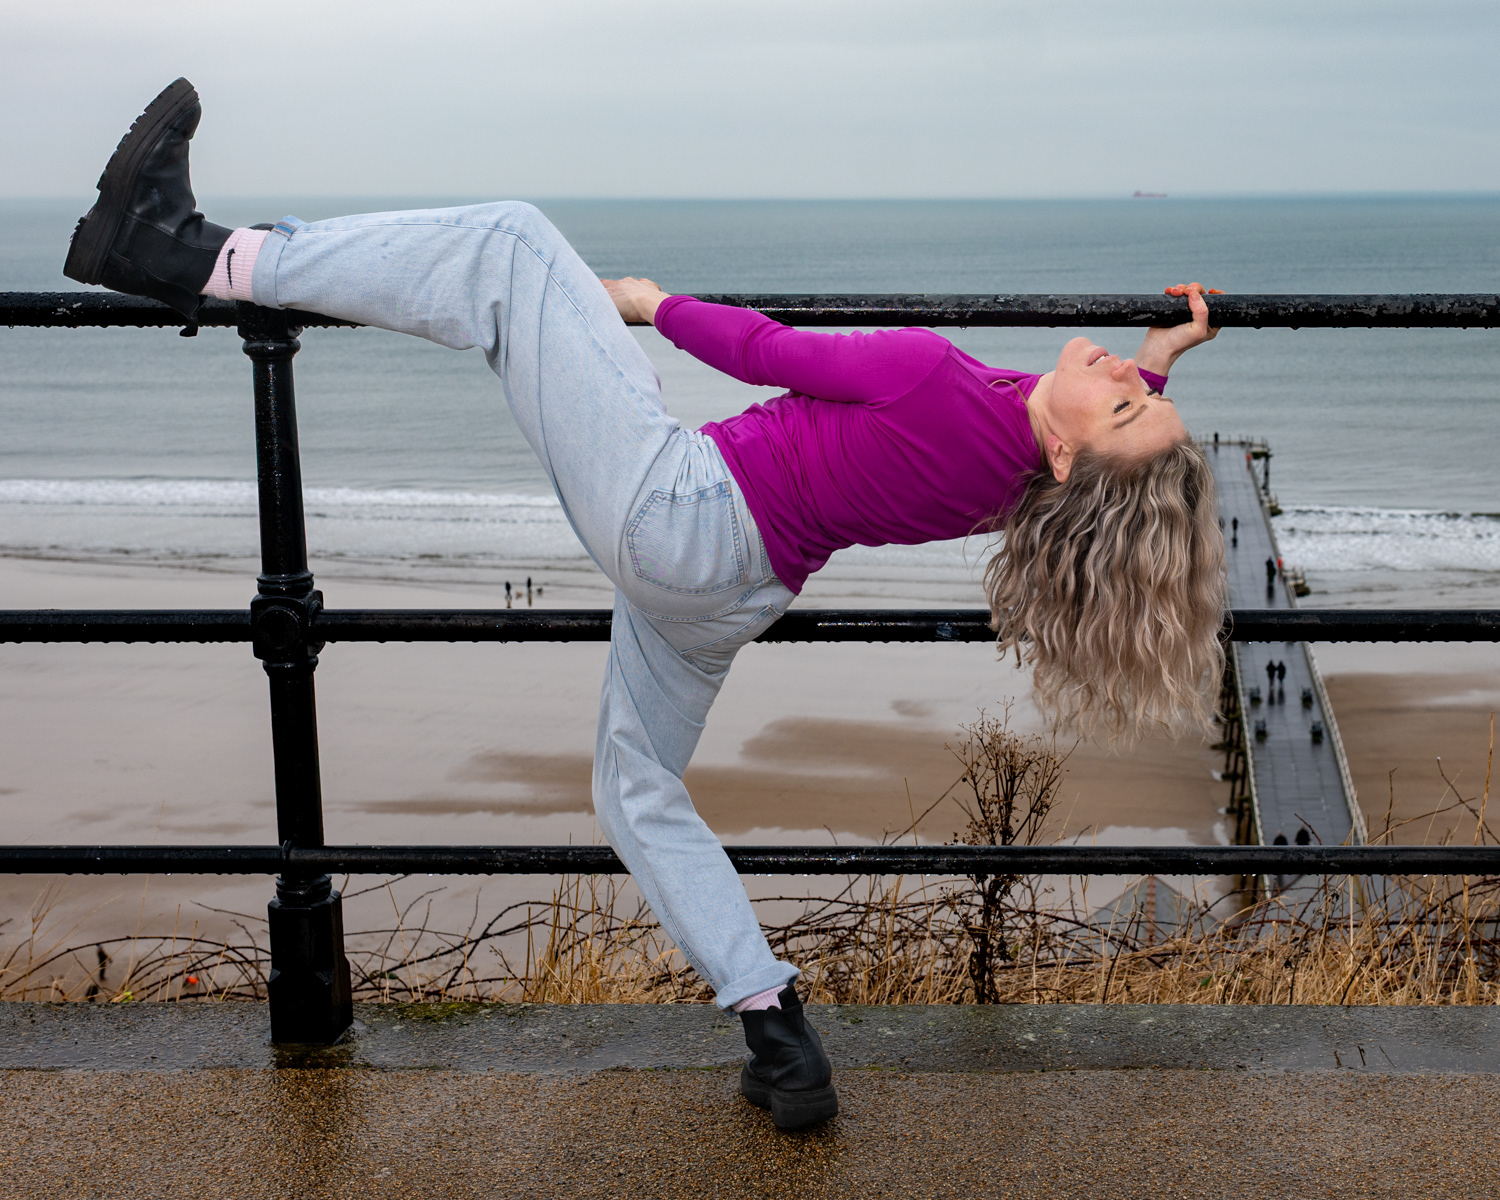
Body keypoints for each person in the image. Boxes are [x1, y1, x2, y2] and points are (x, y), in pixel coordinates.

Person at [62, 80, 1227, 1131]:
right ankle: (775, 1029)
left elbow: (766, 351)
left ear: (1075, 462)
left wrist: (649, 300)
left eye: (1128, 402)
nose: (1122, 380)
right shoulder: (1033, 489)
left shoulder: (937, 379)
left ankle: (195, 253)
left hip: (681, 512)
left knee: (512, 245)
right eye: (1137, 392)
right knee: (638, 787)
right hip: (736, 590)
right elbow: (1091, 451)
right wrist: (1159, 361)